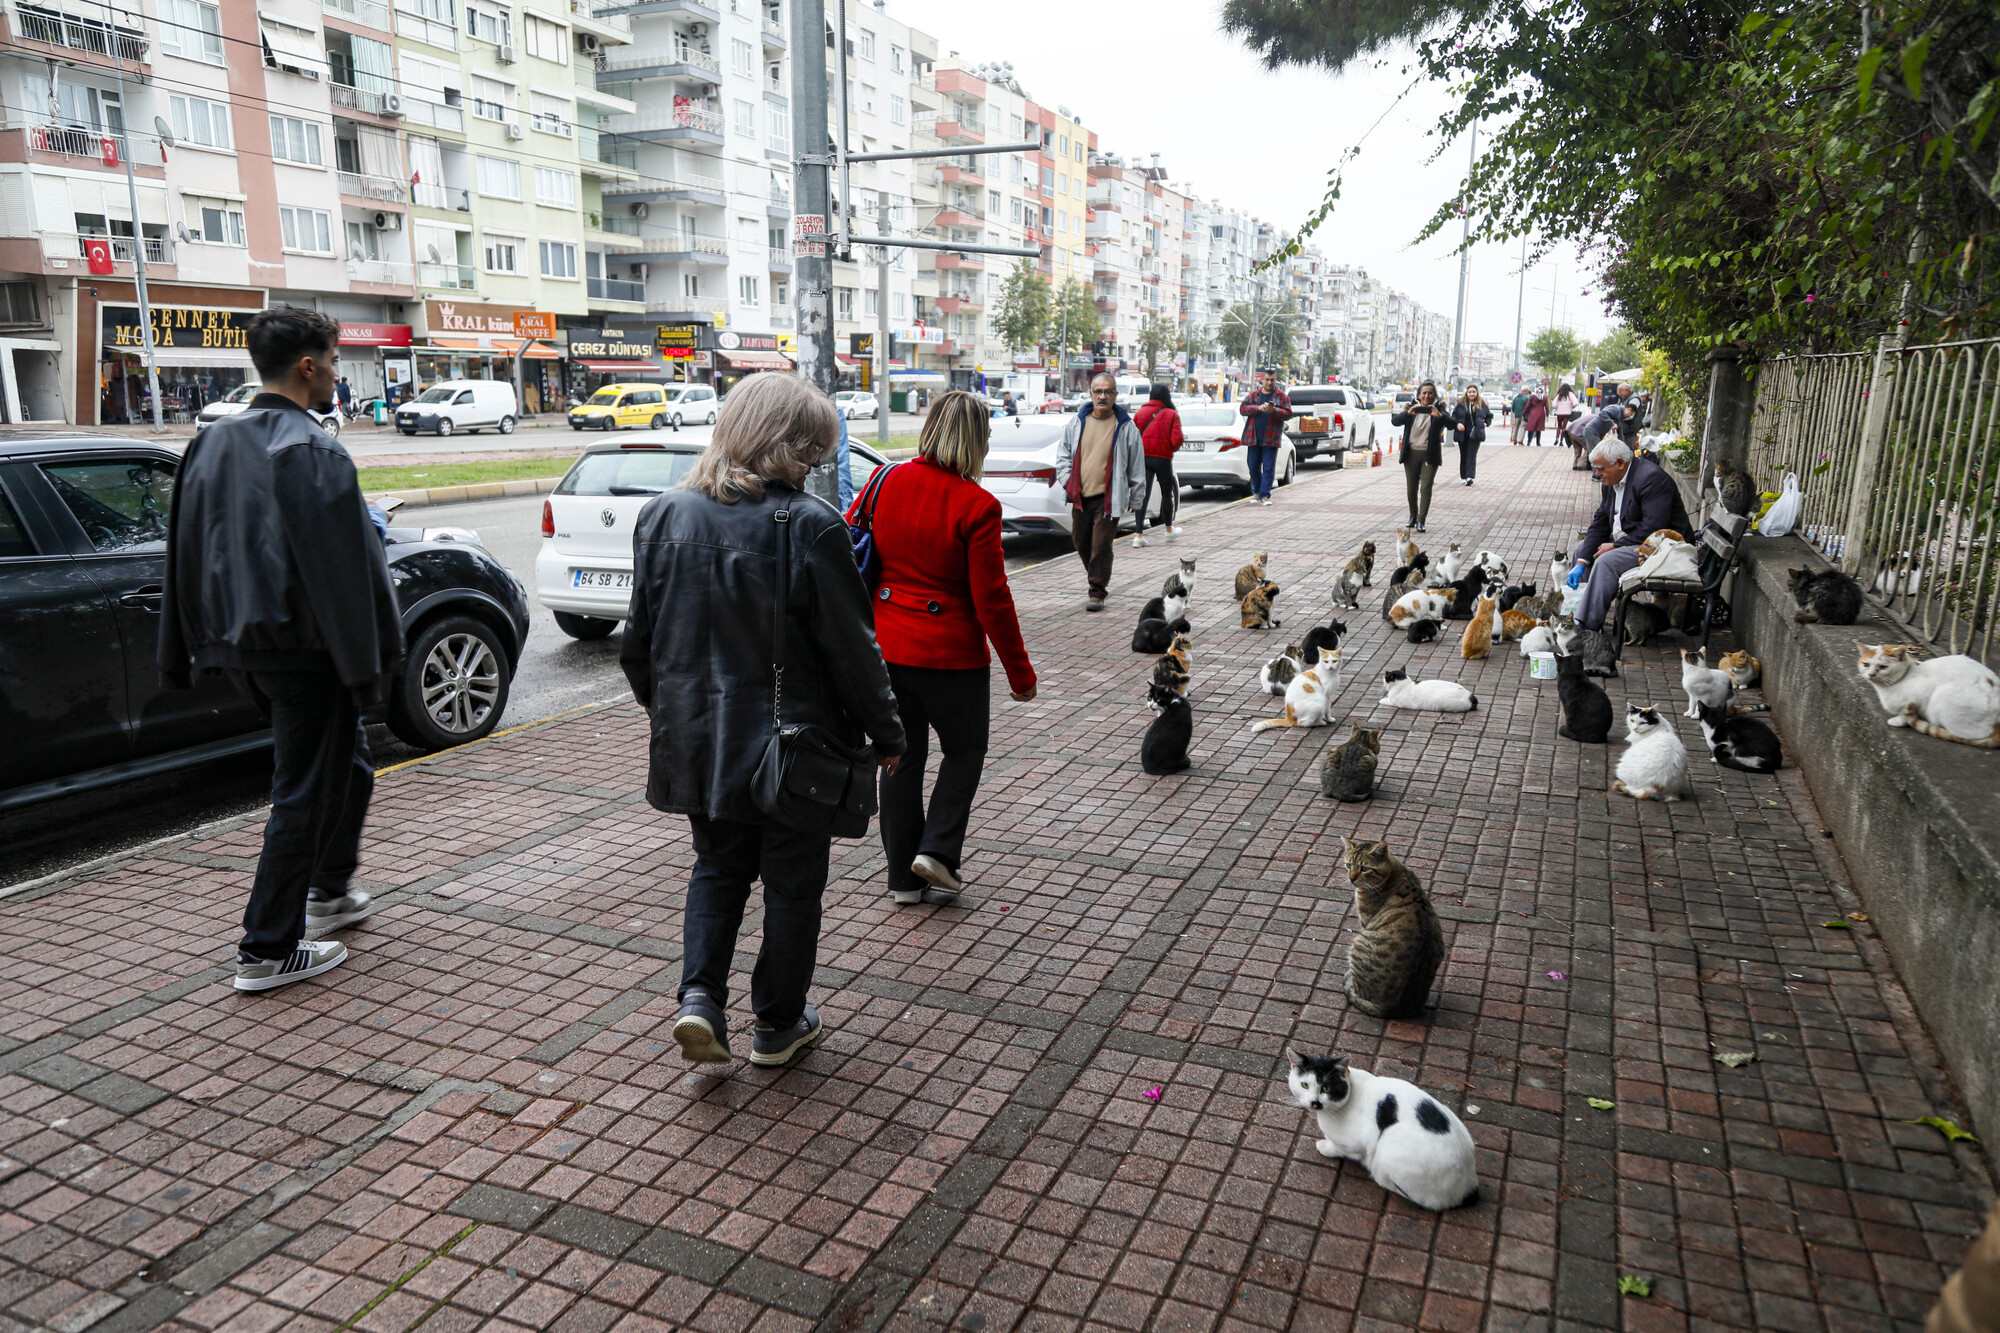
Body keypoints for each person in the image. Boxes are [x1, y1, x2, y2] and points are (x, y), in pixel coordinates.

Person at [622, 373, 906, 1067]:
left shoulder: (664, 515)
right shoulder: (810, 526)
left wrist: (672, 711)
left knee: (716, 870)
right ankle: (777, 1023)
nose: (816, 464)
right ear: (791, 446)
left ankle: (698, 1000)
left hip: (699, 743)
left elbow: (640, 648)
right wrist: (887, 732)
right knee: (792, 887)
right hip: (793, 749)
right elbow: (853, 650)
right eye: (813, 450)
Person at [157, 306, 401, 993]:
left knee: (345, 766)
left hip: (243, 645)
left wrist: (184, 648)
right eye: (333, 361)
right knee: (301, 793)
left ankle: (329, 888)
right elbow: (346, 572)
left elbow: (188, 548)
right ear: (307, 366)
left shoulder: (212, 444)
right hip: (307, 651)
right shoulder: (314, 448)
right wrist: (372, 666)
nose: (337, 375)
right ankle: (266, 947)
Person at [850, 392, 1035, 907]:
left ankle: (902, 881)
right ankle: (938, 851)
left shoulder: (884, 481)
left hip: (887, 649)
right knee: (966, 751)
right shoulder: (978, 505)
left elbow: (849, 542)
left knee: (900, 760)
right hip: (952, 657)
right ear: (975, 441)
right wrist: (1020, 674)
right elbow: (992, 599)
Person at [1562, 438, 1694, 669]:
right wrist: (1581, 562)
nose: (1597, 473)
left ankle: (1586, 628)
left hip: (1662, 548)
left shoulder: (1651, 479)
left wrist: (1614, 545)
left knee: (1606, 561)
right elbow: (1601, 521)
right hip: (1633, 540)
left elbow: (1654, 527)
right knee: (1583, 550)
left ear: (1620, 463)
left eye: (1601, 468)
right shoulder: (1611, 480)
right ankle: (1579, 617)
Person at [1054, 372, 1145, 612]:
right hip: (1081, 497)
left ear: (1115, 395)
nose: (1102, 396)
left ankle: (1097, 591)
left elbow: (1136, 465)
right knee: (1081, 542)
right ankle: (1098, 574)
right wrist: (1067, 482)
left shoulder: (1126, 427)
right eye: (1098, 391)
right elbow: (1063, 456)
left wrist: (1136, 496)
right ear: (1090, 393)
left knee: (1101, 546)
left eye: (1108, 391)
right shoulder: (1077, 422)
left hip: (1109, 498)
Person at [1390, 380, 1449, 532]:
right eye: (1424, 393)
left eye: (1430, 393)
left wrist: (1439, 415)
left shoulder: (1439, 408)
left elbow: (1451, 423)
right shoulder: (1411, 408)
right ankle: (1412, 516)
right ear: (1419, 395)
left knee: (1426, 487)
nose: (1427, 396)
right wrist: (1407, 413)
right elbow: (1395, 422)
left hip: (1430, 454)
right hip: (1411, 454)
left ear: (1434, 395)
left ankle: (1421, 520)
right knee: (1411, 488)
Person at [1132, 382, 1184, 546]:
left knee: (1143, 495)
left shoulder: (1140, 412)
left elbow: (1133, 438)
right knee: (1167, 494)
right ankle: (1169, 531)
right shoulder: (1171, 414)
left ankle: (1139, 536)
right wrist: (1169, 449)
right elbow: (1177, 440)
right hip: (1163, 458)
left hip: (1144, 458)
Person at [1236, 369, 1291, 505]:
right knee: (1253, 466)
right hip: (1253, 437)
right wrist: (1257, 408)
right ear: (1263, 380)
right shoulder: (1254, 395)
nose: (1269, 382)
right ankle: (1257, 492)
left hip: (1271, 438)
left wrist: (1274, 411)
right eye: (1267, 379)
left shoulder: (1282, 397)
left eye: (1272, 380)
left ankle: (1265, 495)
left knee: (1268, 467)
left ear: (1275, 380)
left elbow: (1288, 413)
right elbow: (1243, 409)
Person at [1451, 384, 1492, 485]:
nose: (1472, 394)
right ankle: (1463, 476)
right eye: (1470, 392)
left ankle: (1469, 476)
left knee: (1471, 455)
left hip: (1476, 433)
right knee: (1463, 455)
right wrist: (1457, 424)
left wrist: (1486, 423)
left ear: (1477, 393)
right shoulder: (1460, 404)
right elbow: (1454, 416)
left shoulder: (1482, 404)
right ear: (1467, 393)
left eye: (1474, 392)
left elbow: (1489, 416)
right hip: (1462, 433)